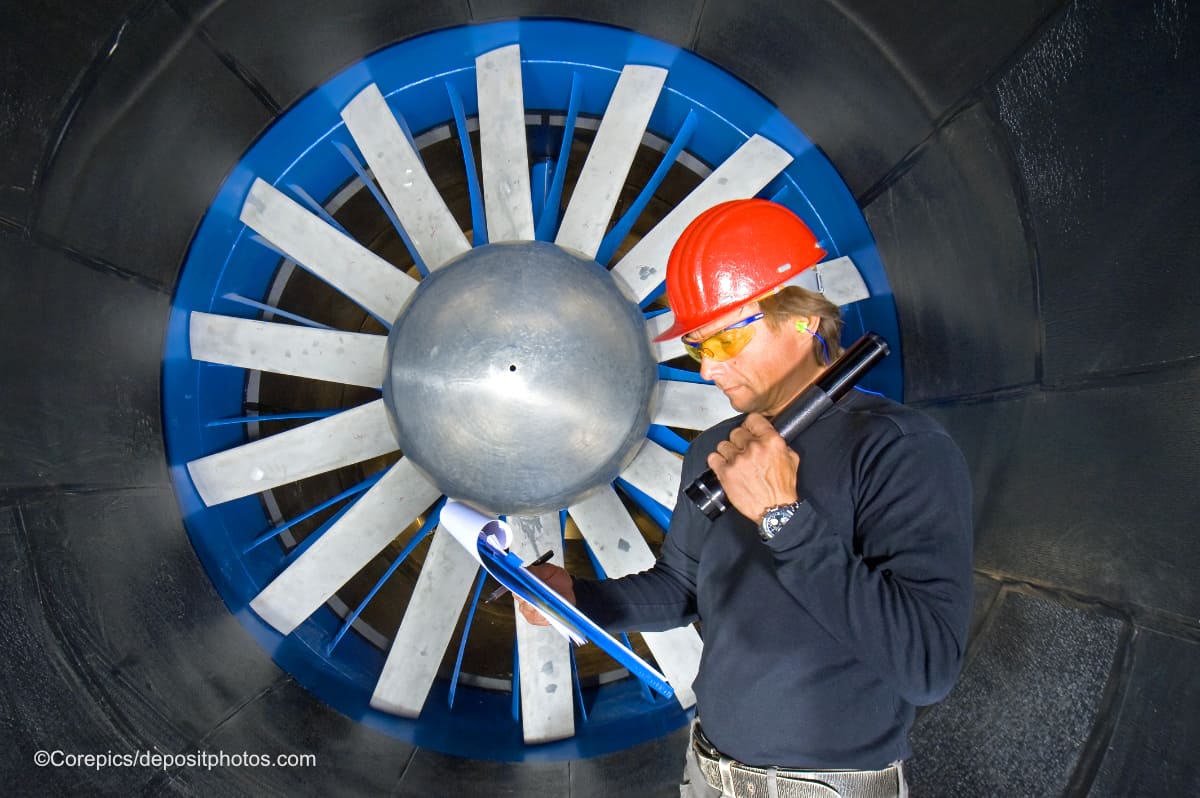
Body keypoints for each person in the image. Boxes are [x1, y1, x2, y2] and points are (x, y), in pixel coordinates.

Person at [521, 199, 974, 798]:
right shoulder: (716, 449)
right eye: (698, 349)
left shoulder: (901, 449)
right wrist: (578, 600)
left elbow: (928, 667)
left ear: (804, 318)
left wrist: (783, 518)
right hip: (708, 771)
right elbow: (680, 588)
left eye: (726, 342)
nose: (709, 371)